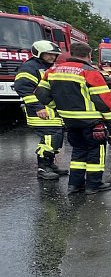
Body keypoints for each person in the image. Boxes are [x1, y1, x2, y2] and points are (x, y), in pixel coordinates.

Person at [36, 42, 111, 195]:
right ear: (88, 55)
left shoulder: (52, 70)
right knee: (95, 152)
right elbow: (103, 100)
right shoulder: (89, 72)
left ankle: (74, 185)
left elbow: (41, 94)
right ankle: (94, 185)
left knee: (78, 152)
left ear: (71, 54)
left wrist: (57, 107)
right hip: (92, 121)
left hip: (69, 121)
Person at [12, 40, 68, 180]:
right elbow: (23, 89)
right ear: (39, 53)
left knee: (56, 138)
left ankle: (50, 164)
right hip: (39, 111)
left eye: (53, 55)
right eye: (48, 54)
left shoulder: (48, 67)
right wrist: (38, 107)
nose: (51, 57)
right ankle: (43, 168)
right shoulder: (30, 67)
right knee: (49, 138)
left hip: (51, 110)